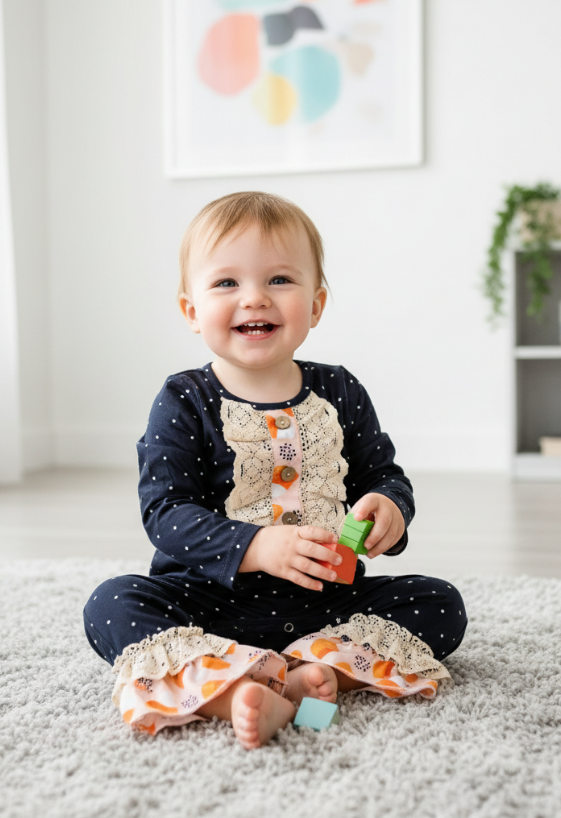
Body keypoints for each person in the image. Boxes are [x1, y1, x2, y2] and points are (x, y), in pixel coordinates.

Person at [84, 192, 467, 749]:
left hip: (323, 604)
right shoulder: (184, 399)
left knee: (441, 603)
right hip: (208, 605)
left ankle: (318, 674)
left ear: (316, 305)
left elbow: (382, 474)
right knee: (111, 603)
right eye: (226, 283)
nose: (255, 298)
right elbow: (165, 513)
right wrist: (258, 546)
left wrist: (389, 508)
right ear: (192, 310)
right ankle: (234, 689)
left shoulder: (340, 390)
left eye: (280, 280)